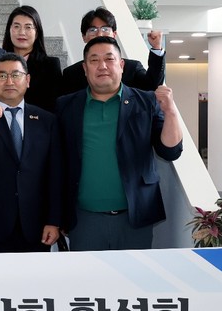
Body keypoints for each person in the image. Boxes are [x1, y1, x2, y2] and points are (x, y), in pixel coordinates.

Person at [56, 36, 183, 251]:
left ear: (121, 65)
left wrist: (170, 112)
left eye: (109, 59)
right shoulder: (66, 106)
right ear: (85, 68)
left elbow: (170, 151)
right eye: (94, 60)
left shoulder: (146, 101)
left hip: (135, 218)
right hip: (83, 219)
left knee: (134, 273)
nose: (102, 66)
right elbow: (57, 163)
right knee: (86, 273)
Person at [0, 53, 61, 252]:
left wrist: (54, 220)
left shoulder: (46, 121)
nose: (9, 81)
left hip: (35, 226)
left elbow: (55, 174)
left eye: (16, 75)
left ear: (28, 80)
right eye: (2, 76)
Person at [61, 6, 165, 95]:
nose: (99, 34)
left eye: (105, 29)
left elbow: (152, 86)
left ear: (114, 34)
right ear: (84, 37)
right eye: (93, 30)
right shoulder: (71, 74)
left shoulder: (132, 68)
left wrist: (156, 48)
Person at [1, 5, 62, 111]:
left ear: (37, 32)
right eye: (16, 26)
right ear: (9, 30)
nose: (22, 32)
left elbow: (55, 105)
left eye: (28, 27)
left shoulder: (50, 65)